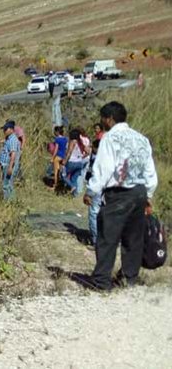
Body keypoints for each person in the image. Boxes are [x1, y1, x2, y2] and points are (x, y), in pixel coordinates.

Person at [84, 101, 157, 290]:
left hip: (119, 193)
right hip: (139, 191)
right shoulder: (141, 138)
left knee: (107, 237)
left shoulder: (110, 139)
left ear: (109, 119)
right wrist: (148, 194)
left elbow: (104, 168)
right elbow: (149, 169)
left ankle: (101, 281)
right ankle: (129, 278)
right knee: (133, 239)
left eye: (103, 119)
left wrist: (92, 191)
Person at [0, 121, 20, 201]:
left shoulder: (13, 139)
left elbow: (13, 154)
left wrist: (10, 167)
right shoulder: (9, 138)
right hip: (5, 164)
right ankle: (11, 201)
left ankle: (8, 202)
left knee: (6, 185)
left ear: (11, 129)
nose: (4, 131)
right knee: (8, 184)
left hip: (9, 165)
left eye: (5, 129)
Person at [63, 129, 85, 197]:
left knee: (63, 175)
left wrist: (64, 162)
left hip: (72, 162)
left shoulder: (72, 141)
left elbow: (69, 152)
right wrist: (82, 157)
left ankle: (72, 186)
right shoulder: (80, 142)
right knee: (74, 179)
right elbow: (87, 151)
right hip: (80, 163)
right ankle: (74, 195)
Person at [49, 126, 68, 191]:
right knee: (61, 172)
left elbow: (56, 149)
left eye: (55, 131)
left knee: (56, 172)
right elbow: (66, 149)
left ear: (57, 132)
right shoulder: (65, 139)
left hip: (57, 157)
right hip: (63, 157)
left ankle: (55, 186)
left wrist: (52, 158)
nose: (54, 132)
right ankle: (61, 185)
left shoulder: (57, 139)